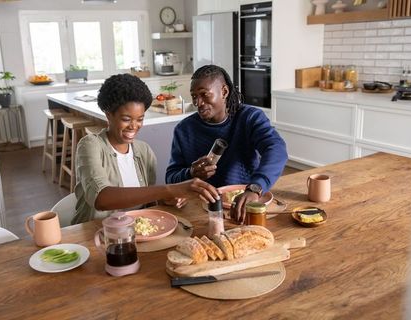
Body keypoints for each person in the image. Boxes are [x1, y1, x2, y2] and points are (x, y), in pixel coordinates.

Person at [72, 74, 219, 224]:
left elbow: (147, 203)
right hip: (95, 232)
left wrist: (166, 199)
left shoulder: (144, 151)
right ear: (108, 115)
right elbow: (101, 199)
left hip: (135, 231)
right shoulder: (90, 145)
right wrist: (169, 190)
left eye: (140, 119)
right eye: (126, 119)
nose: (134, 126)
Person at [165, 64, 288, 224]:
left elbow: (276, 149)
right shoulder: (184, 130)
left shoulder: (249, 118)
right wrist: (191, 173)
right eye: (194, 96)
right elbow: (171, 179)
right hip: (203, 211)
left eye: (204, 94)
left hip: (246, 204)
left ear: (224, 91)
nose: (198, 102)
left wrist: (255, 188)